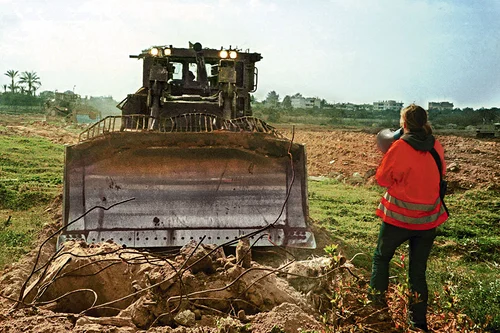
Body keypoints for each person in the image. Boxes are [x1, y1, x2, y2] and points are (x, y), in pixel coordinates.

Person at [369, 104, 448, 332]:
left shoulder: (400, 147)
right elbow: (440, 175)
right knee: (417, 271)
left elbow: (382, 179)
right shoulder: (436, 146)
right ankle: (418, 323)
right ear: (424, 122)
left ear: (404, 124)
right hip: (427, 221)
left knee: (381, 258)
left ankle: (375, 310)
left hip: (397, 219)